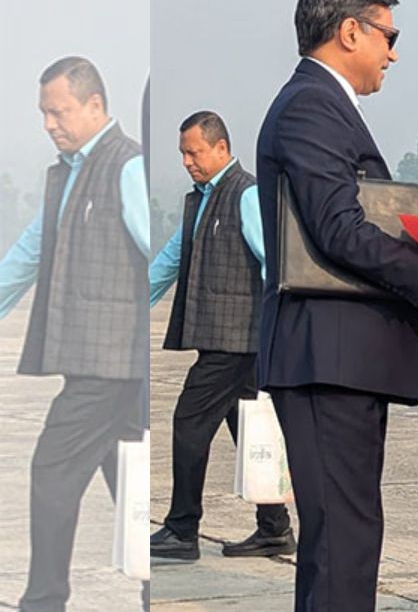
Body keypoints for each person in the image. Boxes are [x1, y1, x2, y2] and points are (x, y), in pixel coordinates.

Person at [254, 0, 418, 611]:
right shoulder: (312, 104)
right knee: (343, 541)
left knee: (346, 538)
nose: (393, 52)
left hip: (341, 358)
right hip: (325, 357)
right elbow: (338, 228)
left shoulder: (325, 106)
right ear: (349, 31)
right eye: (389, 35)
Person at [0, 56, 149, 612]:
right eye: (42, 113)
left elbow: (151, 257)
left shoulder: (128, 166)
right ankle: (146, 591)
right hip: (101, 363)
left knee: (52, 469)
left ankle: (44, 600)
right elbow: (26, 255)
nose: (48, 123)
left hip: (110, 366)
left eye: (57, 111)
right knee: (126, 481)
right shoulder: (65, 172)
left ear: (94, 105)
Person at [147, 111, 294, 561]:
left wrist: (279, 326)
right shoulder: (201, 198)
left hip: (240, 339)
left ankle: (181, 530)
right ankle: (274, 528)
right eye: (183, 154)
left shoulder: (246, 193)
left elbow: (272, 260)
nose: (188, 161)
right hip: (230, 340)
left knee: (189, 423)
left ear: (221, 148)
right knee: (248, 432)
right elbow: (171, 259)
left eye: (194, 152)